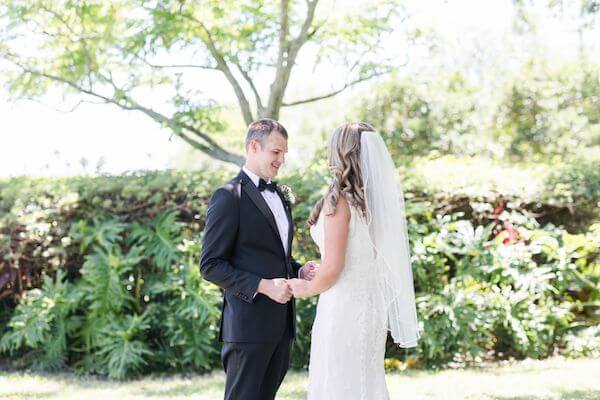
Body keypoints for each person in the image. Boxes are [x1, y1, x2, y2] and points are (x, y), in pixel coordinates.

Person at [288, 122, 421, 399]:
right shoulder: (371, 203)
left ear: (339, 153)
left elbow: (334, 269)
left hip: (344, 306)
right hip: (371, 305)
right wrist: (322, 265)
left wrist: (305, 288)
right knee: (364, 383)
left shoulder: (339, 203)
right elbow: (357, 255)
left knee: (339, 384)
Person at [200, 118, 317, 400]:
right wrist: (263, 286)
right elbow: (210, 265)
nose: (281, 160)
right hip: (248, 329)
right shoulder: (228, 196)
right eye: (276, 152)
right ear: (254, 146)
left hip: (281, 327)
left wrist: (299, 271)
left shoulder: (279, 195)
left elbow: (275, 255)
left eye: (284, 154)